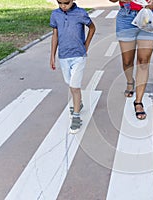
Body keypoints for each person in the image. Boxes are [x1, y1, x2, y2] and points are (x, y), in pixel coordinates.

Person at [109, 0, 153, 120]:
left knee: (143, 61)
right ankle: (130, 82)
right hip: (126, 17)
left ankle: (138, 101)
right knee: (127, 61)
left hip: (148, 16)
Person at [50, 0, 96, 133]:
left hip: (78, 56)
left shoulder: (81, 13)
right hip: (63, 56)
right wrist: (52, 55)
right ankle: (79, 103)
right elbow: (55, 35)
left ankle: (76, 116)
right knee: (70, 83)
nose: (63, 6)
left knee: (75, 86)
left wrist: (86, 45)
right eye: (60, 3)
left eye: (66, 3)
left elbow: (92, 28)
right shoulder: (55, 14)